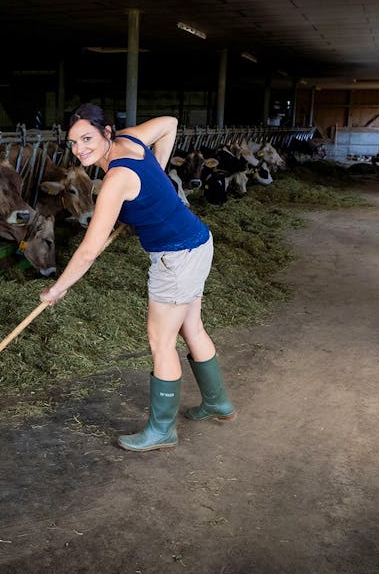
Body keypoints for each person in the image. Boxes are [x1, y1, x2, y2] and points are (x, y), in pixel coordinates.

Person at [40, 103, 235, 452]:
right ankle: (217, 403)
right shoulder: (131, 140)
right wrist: (154, 173)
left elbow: (88, 251)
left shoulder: (116, 181)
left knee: (161, 342)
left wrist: (57, 289)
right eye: (73, 142)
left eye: (87, 138)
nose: (79, 149)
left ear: (106, 132)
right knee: (192, 328)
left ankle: (162, 431)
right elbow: (169, 124)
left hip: (175, 258)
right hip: (197, 242)